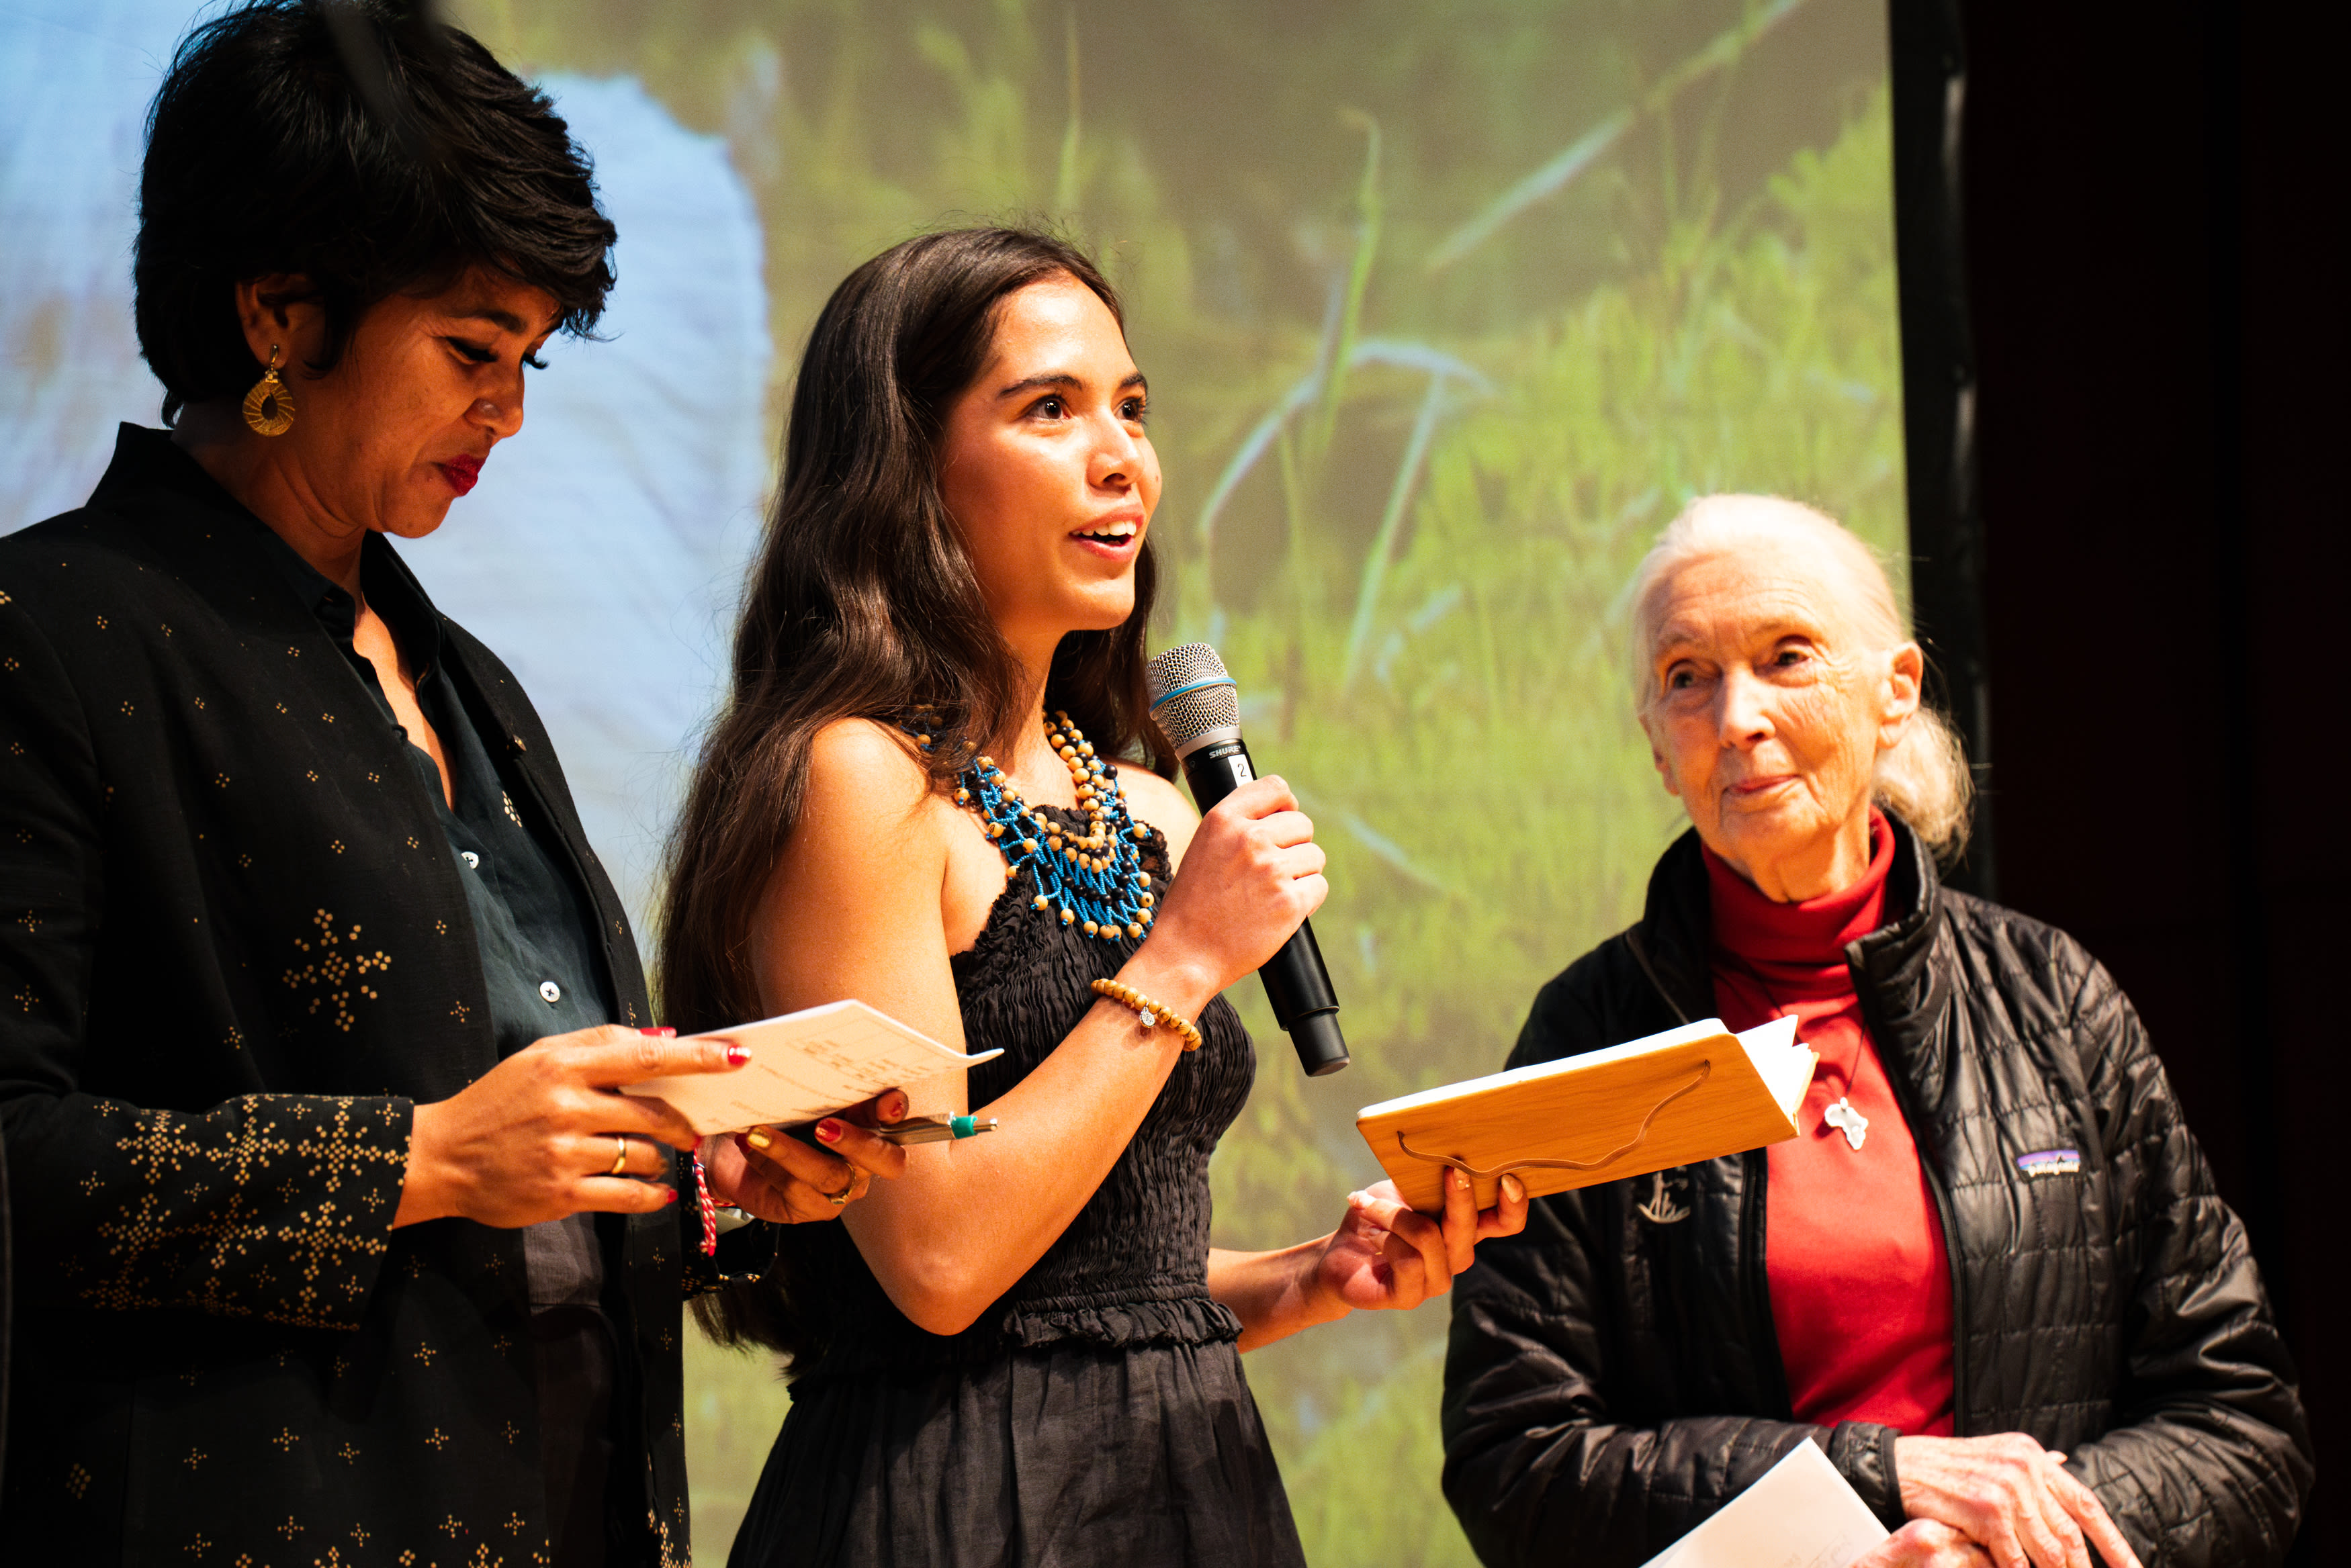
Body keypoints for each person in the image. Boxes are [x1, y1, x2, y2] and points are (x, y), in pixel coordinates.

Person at [0, 5, 900, 1563]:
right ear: (279, 314)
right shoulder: (56, 629)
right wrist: (420, 1160)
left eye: (531, 360)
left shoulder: (471, 679)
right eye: (472, 352)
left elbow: (520, 1151)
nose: (512, 413)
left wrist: (717, 1182)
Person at [657, 226, 1529, 1567]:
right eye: (1049, 410)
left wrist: (1312, 1274)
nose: (1121, 458)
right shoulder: (853, 778)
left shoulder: (1150, 801)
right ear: (910, 467)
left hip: (1189, 1488)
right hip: (948, 1501)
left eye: (1130, 407)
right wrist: (1181, 961)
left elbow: (1105, 1292)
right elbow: (942, 1263)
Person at [1441, 495, 2313, 1568]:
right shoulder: (1590, 1033)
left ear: (1895, 692)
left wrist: (2006, 1542)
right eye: (1687, 678)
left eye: (1787, 657)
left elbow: (2243, 1422)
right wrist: (1885, 1476)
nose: (1736, 718)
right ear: (1660, 751)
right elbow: (1513, 1462)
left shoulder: (2056, 998)